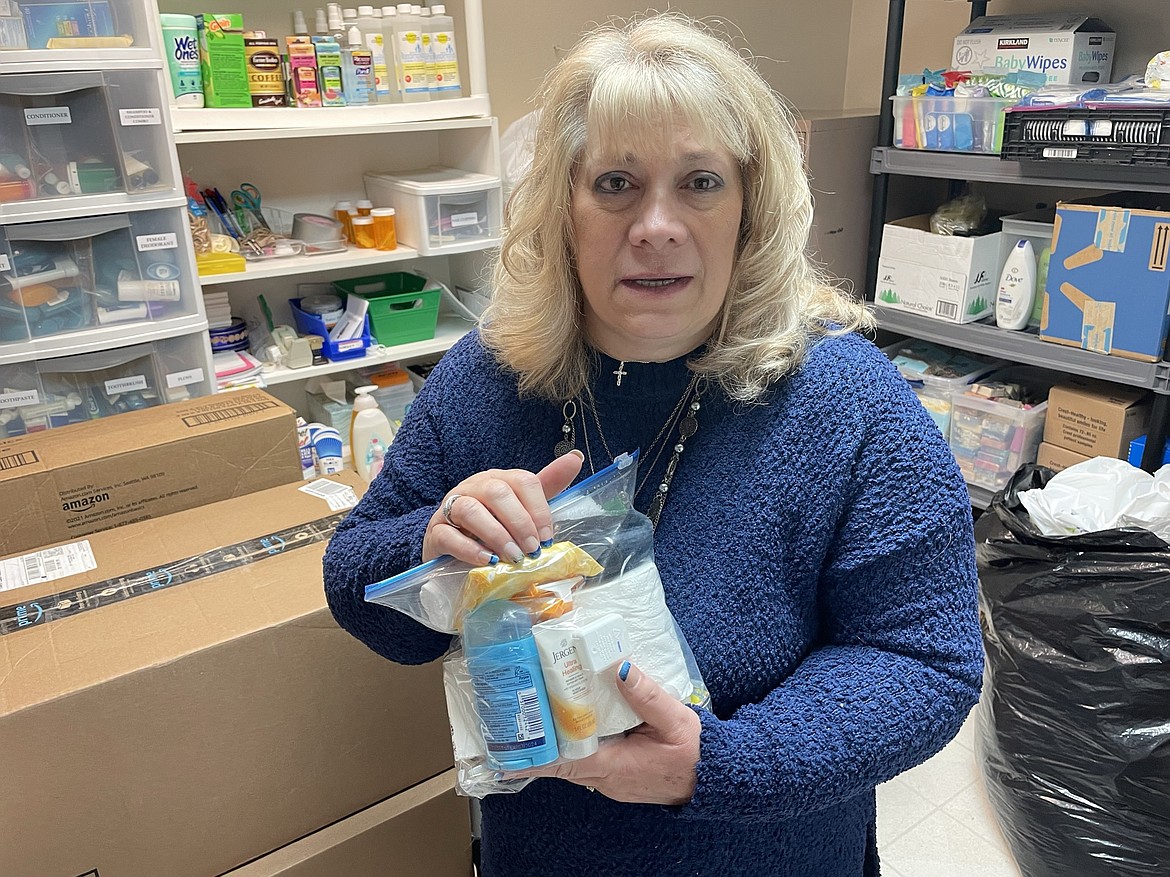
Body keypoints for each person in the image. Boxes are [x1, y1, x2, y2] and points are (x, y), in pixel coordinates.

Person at [324, 13, 983, 877]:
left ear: (750, 206)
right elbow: (357, 583)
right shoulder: (488, 378)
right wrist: (432, 542)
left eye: (701, 181)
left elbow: (924, 658)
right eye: (616, 184)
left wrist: (723, 767)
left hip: (769, 854)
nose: (657, 224)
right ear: (563, 207)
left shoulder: (850, 403)